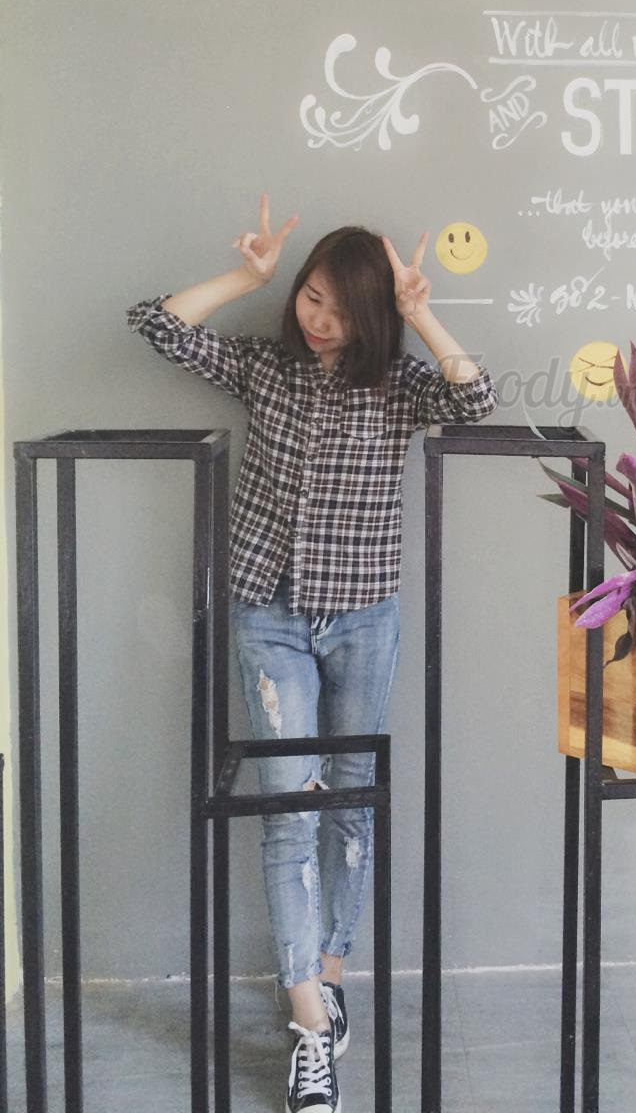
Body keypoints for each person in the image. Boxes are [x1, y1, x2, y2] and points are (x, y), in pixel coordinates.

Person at [126, 194, 499, 1113]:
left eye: (339, 307)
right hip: (269, 617)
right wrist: (246, 276)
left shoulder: (400, 386)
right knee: (288, 812)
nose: (318, 319)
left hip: (365, 618)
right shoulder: (266, 368)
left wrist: (419, 313)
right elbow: (157, 324)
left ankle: (329, 974)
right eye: (309, 296)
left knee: (350, 807)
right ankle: (308, 1026)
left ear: (372, 316)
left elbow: (476, 396)